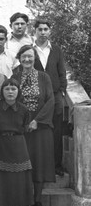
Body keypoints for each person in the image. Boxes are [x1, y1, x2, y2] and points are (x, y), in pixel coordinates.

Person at [12, 45, 55, 206]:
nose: (27, 60)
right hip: (21, 129)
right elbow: (11, 99)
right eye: (24, 57)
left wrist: (37, 121)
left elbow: (51, 100)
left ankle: (38, 200)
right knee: (23, 165)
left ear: (35, 58)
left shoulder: (44, 77)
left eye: (30, 56)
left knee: (40, 163)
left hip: (41, 128)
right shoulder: (15, 77)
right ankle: (25, 201)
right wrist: (22, 123)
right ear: (19, 58)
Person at [0, 79, 33, 206]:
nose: (10, 91)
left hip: (19, 145)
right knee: (3, 182)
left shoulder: (23, 109)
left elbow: (26, 128)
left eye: (13, 88)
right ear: (2, 91)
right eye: (7, 88)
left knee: (18, 183)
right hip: (1, 145)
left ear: (18, 91)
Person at [33, 18, 67, 177]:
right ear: (34, 31)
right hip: (36, 96)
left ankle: (56, 166)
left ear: (50, 31)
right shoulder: (30, 51)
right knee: (38, 130)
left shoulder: (57, 50)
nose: (43, 32)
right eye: (40, 29)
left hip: (55, 95)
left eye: (46, 29)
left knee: (57, 130)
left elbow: (62, 72)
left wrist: (62, 90)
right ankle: (37, 165)